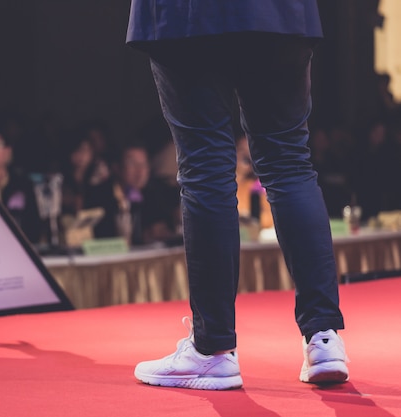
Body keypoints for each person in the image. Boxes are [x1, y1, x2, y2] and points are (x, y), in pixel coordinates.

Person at [127, 0, 348, 390]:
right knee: (289, 162)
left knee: (205, 168)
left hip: (190, 15)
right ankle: (324, 338)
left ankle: (213, 349)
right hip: (279, 14)